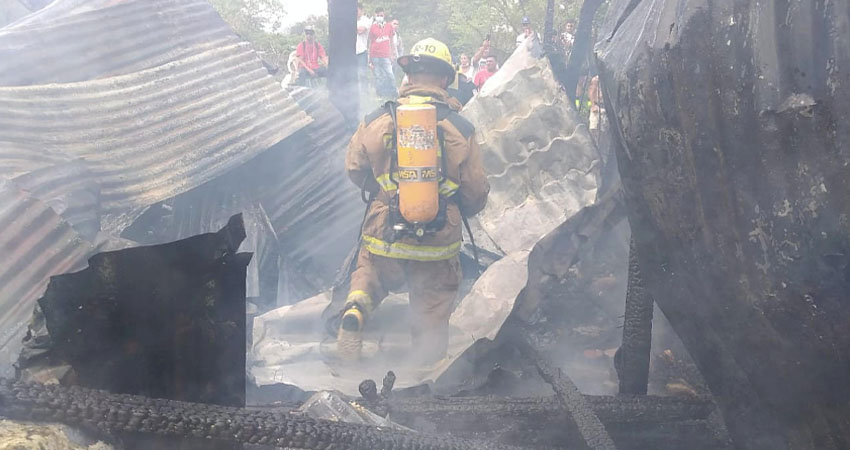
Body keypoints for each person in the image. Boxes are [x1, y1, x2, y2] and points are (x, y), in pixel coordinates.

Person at [340, 38, 490, 365]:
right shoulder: (459, 127)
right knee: (433, 303)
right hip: (438, 238)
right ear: (446, 79)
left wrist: (385, 193)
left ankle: (356, 309)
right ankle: (423, 371)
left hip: (385, 230)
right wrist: (451, 205)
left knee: (370, 273)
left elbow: (354, 168)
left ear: (408, 76)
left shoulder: (377, 118)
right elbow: (475, 191)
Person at [368, 7, 398, 99]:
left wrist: (392, 54)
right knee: (378, 76)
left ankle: (394, 93)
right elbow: (370, 42)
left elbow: (392, 41)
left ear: (384, 15)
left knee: (390, 74)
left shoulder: (389, 26)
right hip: (375, 55)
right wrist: (369, 58)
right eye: (378, 15)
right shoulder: (372, 27)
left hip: (386, 55)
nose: (380, 17)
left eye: (381, 15)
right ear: (375, 15)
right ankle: (380, 95)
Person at [356, 4, 372, 89]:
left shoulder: (366, 20)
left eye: (357, 10)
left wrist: (348, 27)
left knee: (362, 74)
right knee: (352, 73)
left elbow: (360, 30)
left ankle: (365, 93)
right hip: (351, 52)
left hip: (361, 51)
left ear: (362, 11)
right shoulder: (351, 20)